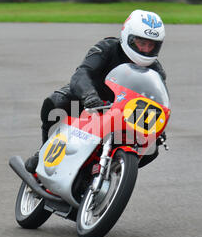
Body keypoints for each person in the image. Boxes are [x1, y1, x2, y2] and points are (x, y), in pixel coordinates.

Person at [26, 9, 167, 173]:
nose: (145, 50)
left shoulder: (156, 71)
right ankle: (44, 152)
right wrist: (89, 95)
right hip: (91, 101)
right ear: (128, 36)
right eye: (142, 43)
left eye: (151, 45)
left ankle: (109, 171)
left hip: (124, 115)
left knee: (152, 149)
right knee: (56, 102)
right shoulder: (107, 48)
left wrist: (157, 127)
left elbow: (157, 101)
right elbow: (81, 74)